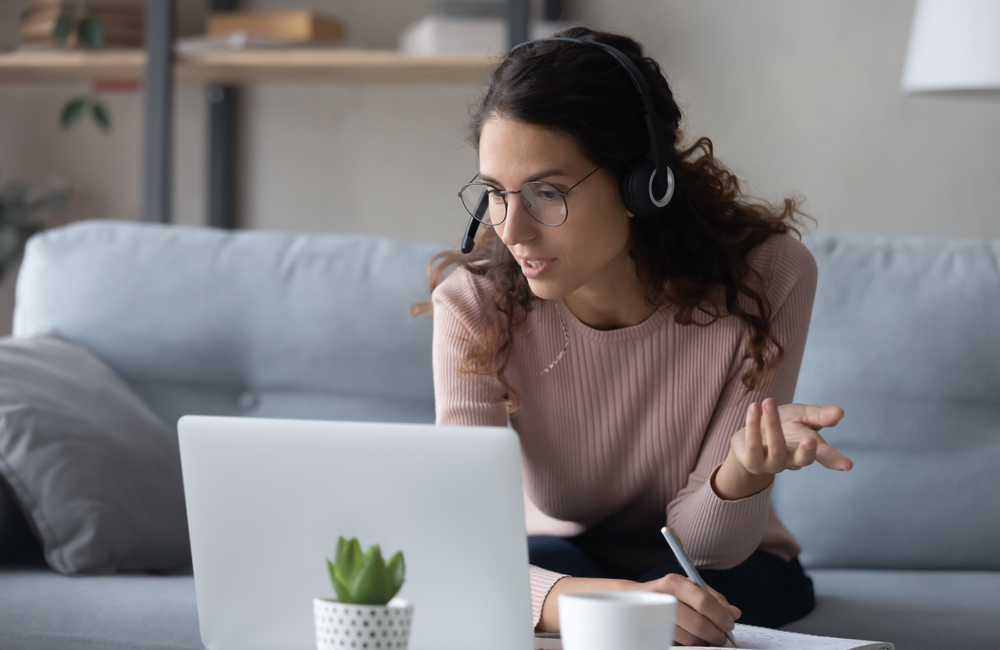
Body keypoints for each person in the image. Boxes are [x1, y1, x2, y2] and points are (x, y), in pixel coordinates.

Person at [414, 27, 853, 647]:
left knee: (680, 605)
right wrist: (599, 601)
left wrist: (743, 472)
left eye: (546, 192)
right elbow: (463, 551)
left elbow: (710, 547)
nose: (512, 231)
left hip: (726, 565)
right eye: (494, 195)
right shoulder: (474, 304)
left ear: (644, 180)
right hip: (566, 561)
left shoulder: (769, 277)